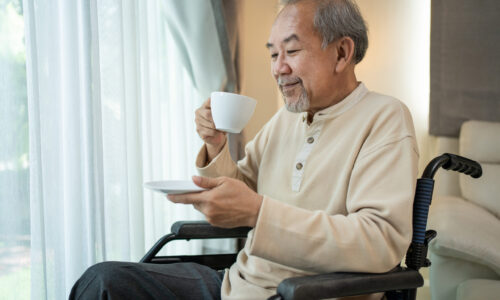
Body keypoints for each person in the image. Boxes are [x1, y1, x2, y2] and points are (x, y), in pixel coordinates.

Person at [70, 0, 418, 299]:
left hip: (304, 293)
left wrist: (258, 214)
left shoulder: (385, 118)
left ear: (342, 53)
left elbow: (378, 240)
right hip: (236, 286)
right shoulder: (287, 119)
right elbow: (243, 190)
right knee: (104, 283)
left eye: (292, 51)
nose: (278, 69)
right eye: (273, 54)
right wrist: (216, 146)